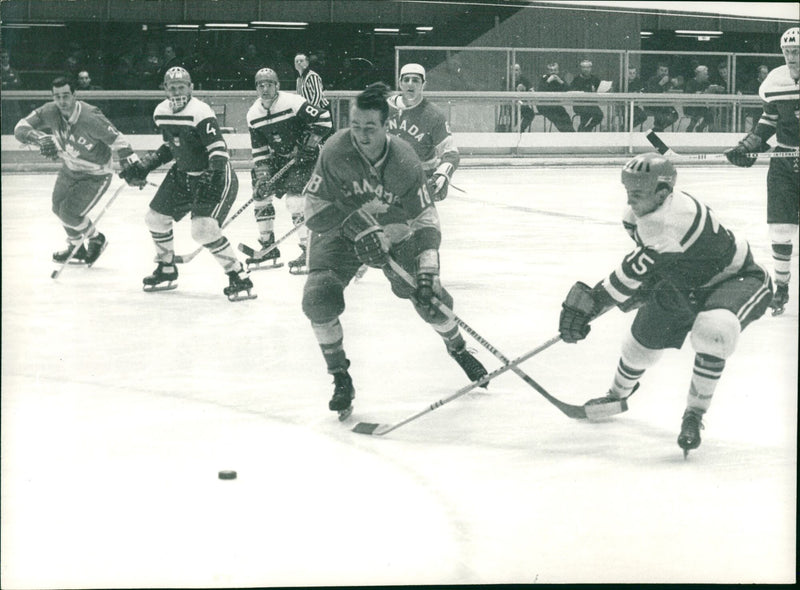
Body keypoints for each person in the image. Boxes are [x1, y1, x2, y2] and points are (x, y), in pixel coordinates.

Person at [558, 152, 772, 456]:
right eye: (628, 192)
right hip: (685, 283)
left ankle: (694, 415)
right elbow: (647, 268)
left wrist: (591, 305)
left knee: (714, 330)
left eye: (638, 193)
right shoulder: (642, 215)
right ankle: (615, 396)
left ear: (663, 191)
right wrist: (606, 300)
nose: (631, 201)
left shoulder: (669, 221)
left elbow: (628, 276)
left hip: (735, 279)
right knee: (639, 347)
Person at [300, 82, 488, 418]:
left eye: (370, 128)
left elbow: (426, 217)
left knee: (429, 300)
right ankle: (340, 376)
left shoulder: (404, 160)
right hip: (342, 231)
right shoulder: (334, 150)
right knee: (318, 298)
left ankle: (457, 347)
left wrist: (429, 270)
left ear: (387, 126)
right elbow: (313, 207)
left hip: (395, 228)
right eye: (355, 126)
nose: (361, 135)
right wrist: (357, 227)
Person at [119, 67, 254, 301]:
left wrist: (212, 175)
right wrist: (145, 166)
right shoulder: (161, 112)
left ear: (191, 88)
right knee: (155, 218)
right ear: (164, 89)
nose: (176, 92)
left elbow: (218, 149)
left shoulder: (201, 112)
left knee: (203, 230)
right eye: (172, 88)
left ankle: (238, 276)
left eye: (181, 87)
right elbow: (171, 146)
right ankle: (167, 268)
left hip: (215, 175)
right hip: (182, 174)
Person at [14, 76, 137, 266]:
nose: (62, 101)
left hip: (95, 175)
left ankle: (96, 238)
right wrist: (39, 138)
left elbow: (120, 141)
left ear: (75, 95)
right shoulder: (50, 110)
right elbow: (20, 127)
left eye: (66, 96)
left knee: (69, 214)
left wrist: (133, 167)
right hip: (69, 168)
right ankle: (76, 247)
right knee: (57, 207)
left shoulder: (91, 117)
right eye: (57, 97)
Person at [724, 27, 800, 316]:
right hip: (784, 162)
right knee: (780, 229)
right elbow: (769, 119)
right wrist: (748, 145)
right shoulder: (774, 81)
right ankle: (782, 288)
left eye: (797, 51)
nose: (792, 56)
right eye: (788, 51)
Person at [242, 67, 333, 274]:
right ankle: (268, 246)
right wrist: (263, 176)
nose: (265, 89)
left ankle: (308, 249)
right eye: (261, 85)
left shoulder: (293, 103)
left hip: (307, 158)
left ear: (277, 86)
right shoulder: (253, 114)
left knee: (295, 202)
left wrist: (309, 144)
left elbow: (325, 120)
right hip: (279, 159)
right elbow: (260, 150)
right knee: (260, 195)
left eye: (269, 84)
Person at [387, 63, 459, 203]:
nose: (410, 84)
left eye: (416, 80)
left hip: (420, 183)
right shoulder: (383, 109)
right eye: (406, 80)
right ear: (400, 83)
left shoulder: (433, 115)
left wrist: (443, 173)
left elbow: (451, 152)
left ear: (423, 84)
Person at [536, 61, 575, 132]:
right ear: (547, 71)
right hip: (543, 106)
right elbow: (540, 91)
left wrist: (561, 81)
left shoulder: (560, 79)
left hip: (556, 105)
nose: (553, 72)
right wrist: (548, 81)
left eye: (555, 70)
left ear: (558, 71)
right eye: (551, 70)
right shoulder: (544, 78)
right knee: (557, 119)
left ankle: (572, 134)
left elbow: (569, 91)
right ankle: (567, 134)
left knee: (566, 117)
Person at [569, 59, 604, 132]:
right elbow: (571, 91)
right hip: (579, 105)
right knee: (586, 114)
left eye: (588, 67)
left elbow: (601, 89)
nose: (586, 69)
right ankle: (583, 131)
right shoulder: (576, 79)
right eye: (584, 67)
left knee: (600, 115)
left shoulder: (595, 79)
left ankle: (587, 129)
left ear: (591, 68)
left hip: (592, 105)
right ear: (581, 68)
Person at [643, 63, 680, 132]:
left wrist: (676, 83)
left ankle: (657, 130)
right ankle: (657, 130)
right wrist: (660, 84)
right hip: (653, 104)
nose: (663, 73)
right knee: (662, 115)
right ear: (657, 71)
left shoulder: (669, 80)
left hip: (665, 104)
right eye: (661, 70)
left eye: (665, 71)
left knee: (674, 115)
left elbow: (677, 85)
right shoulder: (652, 79)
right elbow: (651, 93)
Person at [683, 65, 714, 132]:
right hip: (690, 106)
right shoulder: (690, 82)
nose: (707, 76)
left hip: (702, 106)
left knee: (710, 114)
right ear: (699, 74)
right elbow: (688, 95)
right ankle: (690, 129)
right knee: (698, 112)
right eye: (705, 74)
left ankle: (700, 127)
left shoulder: (707, 83)